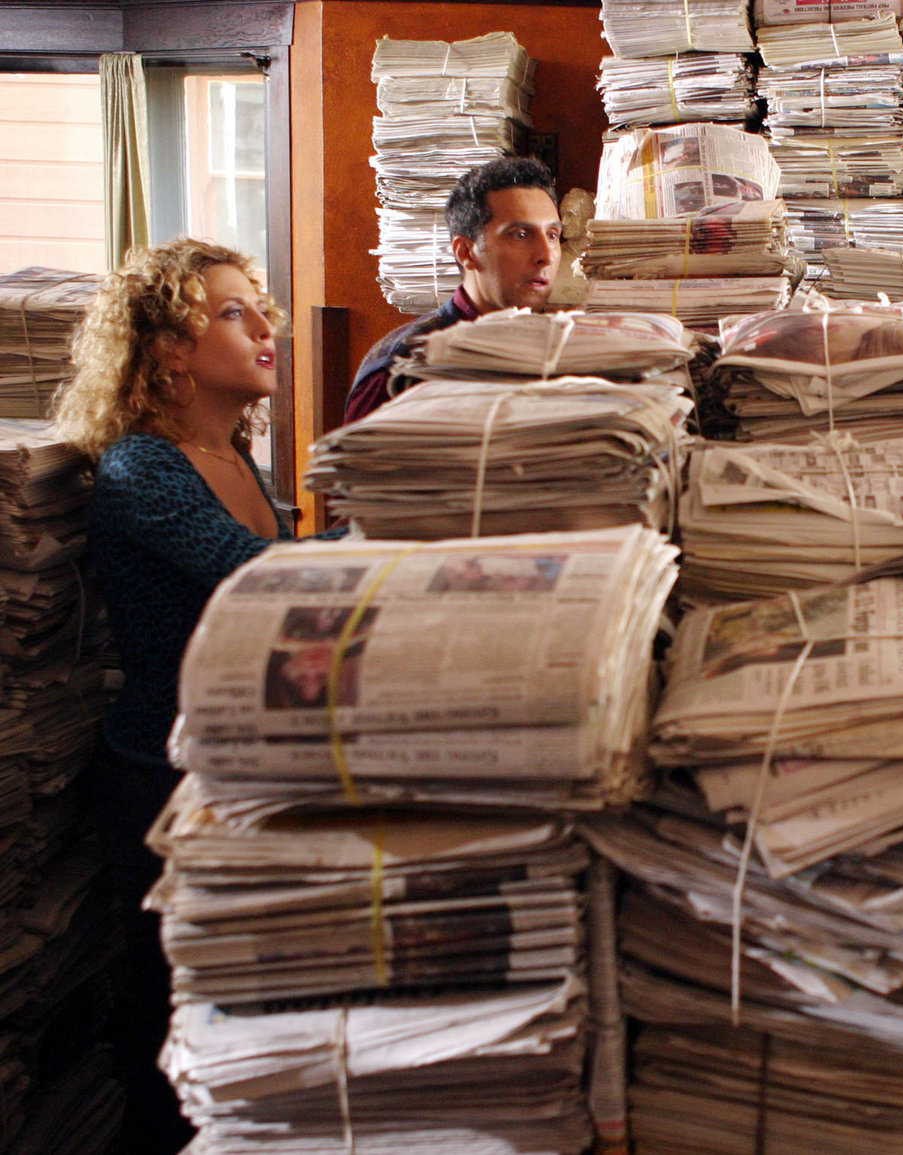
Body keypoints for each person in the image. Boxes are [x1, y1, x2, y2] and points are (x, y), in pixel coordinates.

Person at [52, 236, 328, 1153]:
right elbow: (254, 576)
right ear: (170, 347)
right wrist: (392, 534)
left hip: (234, 765)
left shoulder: (235, 456)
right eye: (232, 313)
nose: (263, 331)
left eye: (259, 310)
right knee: (178, 1026)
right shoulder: (144, 467)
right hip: (162, 781)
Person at [344, 155, 562, 423]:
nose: (546, 256)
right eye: (520, 235)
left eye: (552, 235)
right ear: (466, 252)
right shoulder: (403, 368)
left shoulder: (561, 352)